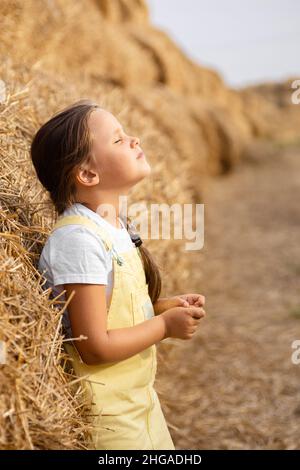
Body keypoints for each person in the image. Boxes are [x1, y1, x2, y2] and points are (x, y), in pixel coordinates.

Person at [31, 99, 206, 450]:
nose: (134, 139)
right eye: (118, 139)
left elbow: (111, 310)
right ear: (88, 174)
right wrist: (164, 327)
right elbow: (93, 347)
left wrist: (159, 307)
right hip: (109, 422)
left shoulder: (114, 226)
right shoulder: (78, 241)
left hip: (139, 404)